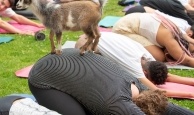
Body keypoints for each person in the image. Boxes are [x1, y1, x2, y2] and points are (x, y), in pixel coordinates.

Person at [28, 48, 194, 114]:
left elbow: (171, 109)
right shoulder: (116, 104)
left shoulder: (140, 85)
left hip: (67, 55)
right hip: (43, 76)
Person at [75, 32, 194, 98]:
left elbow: (168, 76)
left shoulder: (148, 58)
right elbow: (157, 91)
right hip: (84, 44)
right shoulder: (133, 65)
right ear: (145, 73)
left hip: (99, 37)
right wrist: (190, 94)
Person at [112, 12, 194, 67]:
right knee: (159, 57)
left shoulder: (181, 34)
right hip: (123, 29)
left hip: (133, 19)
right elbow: (187, 60)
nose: (191, 54)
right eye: (192, 53)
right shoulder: (169, 37)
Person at [126, 0, 194, 25]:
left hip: (143, 3)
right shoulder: (179, 10)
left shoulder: (180, 6)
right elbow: (190, 22)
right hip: (142, 7)